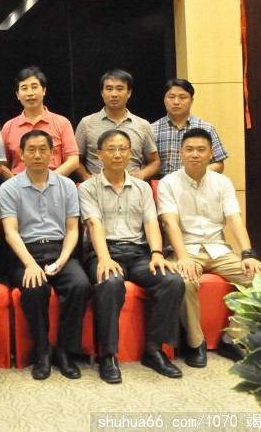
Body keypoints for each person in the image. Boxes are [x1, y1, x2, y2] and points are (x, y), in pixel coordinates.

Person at [158, 128, 261, 368]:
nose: (195, 154)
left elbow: (235, 219)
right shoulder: (168, 183)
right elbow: (170, 223)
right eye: (189, 149)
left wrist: (247, 254)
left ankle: (232, 338)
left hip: (218, 249)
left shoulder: (222, 183)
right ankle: (195, 343)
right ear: (180, 153)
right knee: (183, 281)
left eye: (201, 150)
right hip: (186, 248)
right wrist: (183, 257)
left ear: (211, 154)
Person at [79, 130, 184, 384]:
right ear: (99, 154)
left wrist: (157, 254)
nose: (118, 154)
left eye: (123, 148)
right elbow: (94, 224)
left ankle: (154, 350)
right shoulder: (88, 188)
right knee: (110, 282)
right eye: (111, 149)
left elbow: (151, 223)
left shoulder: (143, 187)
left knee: (173, 281)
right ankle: (108, 355)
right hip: (105, 251)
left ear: (130, 153)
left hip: (139, 253)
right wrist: (105, 258)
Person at [0, 130, 91, 381]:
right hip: (25, 252)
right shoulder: (9, 188)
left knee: (80, 285)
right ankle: (42, 352)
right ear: (21, 154)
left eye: (43, 150)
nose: (37, 155)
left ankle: (65, 351)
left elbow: (73, 229)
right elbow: (10, 232)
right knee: (34, 287)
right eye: (31, 150)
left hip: (60, 250)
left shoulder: (67, 185)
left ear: (52, 154)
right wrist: (30, 264)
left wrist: (63, 259)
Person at [75, 69, 160, 181]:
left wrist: (142, 174)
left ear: (129, 93)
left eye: (120, 89)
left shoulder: (143, 125)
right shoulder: (86, 123)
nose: (114, 94)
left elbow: (154, 161)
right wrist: (86, 177)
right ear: (102, 93)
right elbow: (75, 159)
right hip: (96, 186)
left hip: (132, 186)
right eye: (109, 89)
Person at [1, 66, 79, 179]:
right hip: (19, 187)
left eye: (34, 87)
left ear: (44, 91)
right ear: (17, 95)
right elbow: (1, 165)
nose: (30, 93)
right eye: (24, 88)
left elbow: (73, 160)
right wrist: (17, 184)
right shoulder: (8, 127)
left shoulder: (62, 123)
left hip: (55, 184)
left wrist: (49, 181)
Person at [151, 78, 228, 177]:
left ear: (191, 101)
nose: (176, 102)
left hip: (197, 181)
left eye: (182, 97)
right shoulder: (152, 129)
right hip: (163, 183)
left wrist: (192, 174)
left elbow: (219, 164)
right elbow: (146, 164)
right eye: (171, 97)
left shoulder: (206, 128)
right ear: (164, 100)